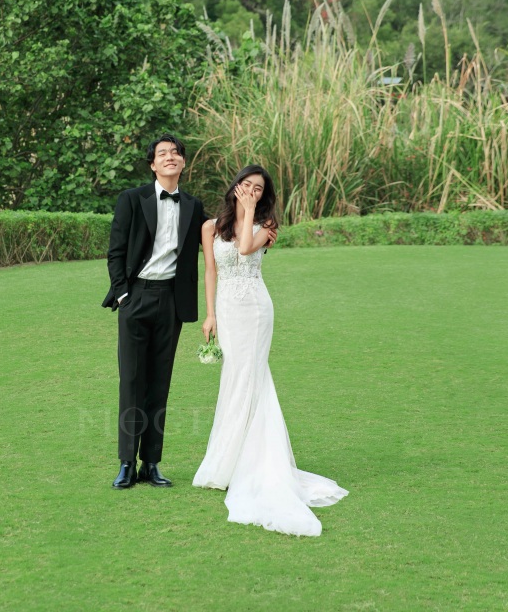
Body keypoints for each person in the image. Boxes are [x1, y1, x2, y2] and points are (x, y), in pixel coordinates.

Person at [193, 165, 348, 536]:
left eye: (258, 189)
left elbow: (245, 249)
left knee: (250, 376)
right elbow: (211, 271)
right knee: (235, 377)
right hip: (227, 309)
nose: (250, 191)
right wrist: (210, 314)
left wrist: (249, 213)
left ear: (264, 196)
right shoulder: (210, 227)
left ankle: (251, 464)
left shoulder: (266, 226)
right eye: (245, 185)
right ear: (234, 186)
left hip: (255, 309)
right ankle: (227, 461)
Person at [103, 134, 207, 489]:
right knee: (132, 381)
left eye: (175, 153)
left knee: (159, 384)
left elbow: (219, 236)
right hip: (136, 298)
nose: (170, 157)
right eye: (162, 153)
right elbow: (116, 251)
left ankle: (151, 463)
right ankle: (126, 463)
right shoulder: (132, 199)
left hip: (171, 302)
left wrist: (259, 230)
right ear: (153, 164)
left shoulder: (193, 205)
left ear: (183, 162)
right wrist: (123, 295)